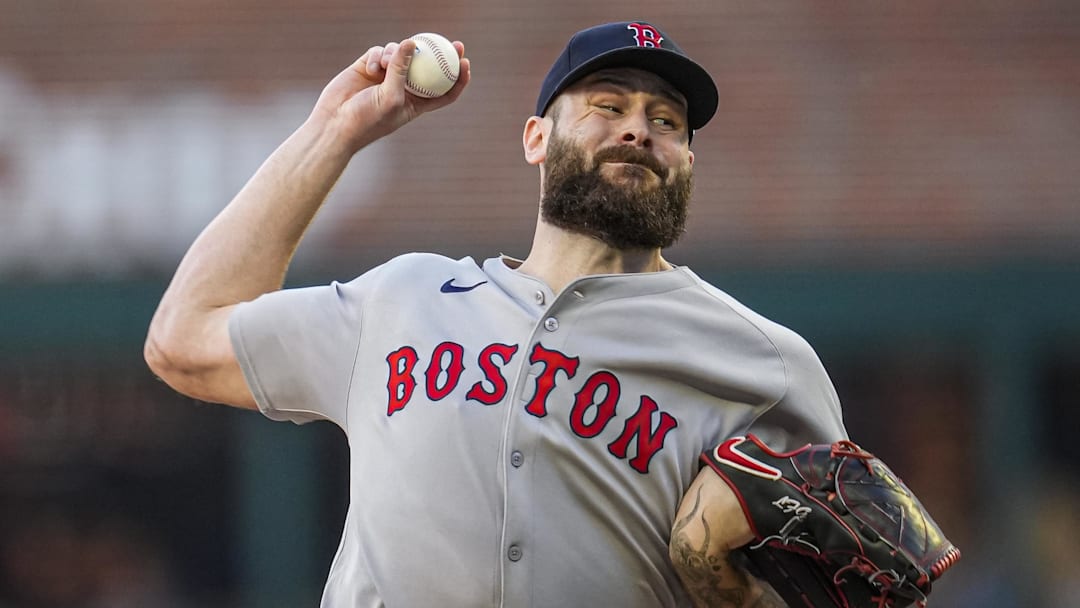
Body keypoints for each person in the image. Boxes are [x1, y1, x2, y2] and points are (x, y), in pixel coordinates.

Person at [145, 21, 847, 607]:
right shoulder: (402, 300)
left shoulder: (763, 363)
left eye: (665, 121)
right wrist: (335, 132)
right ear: (536, 138)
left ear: (687, 162)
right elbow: (183, 340)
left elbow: (838, 568)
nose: (638, 129)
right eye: (608, 106)